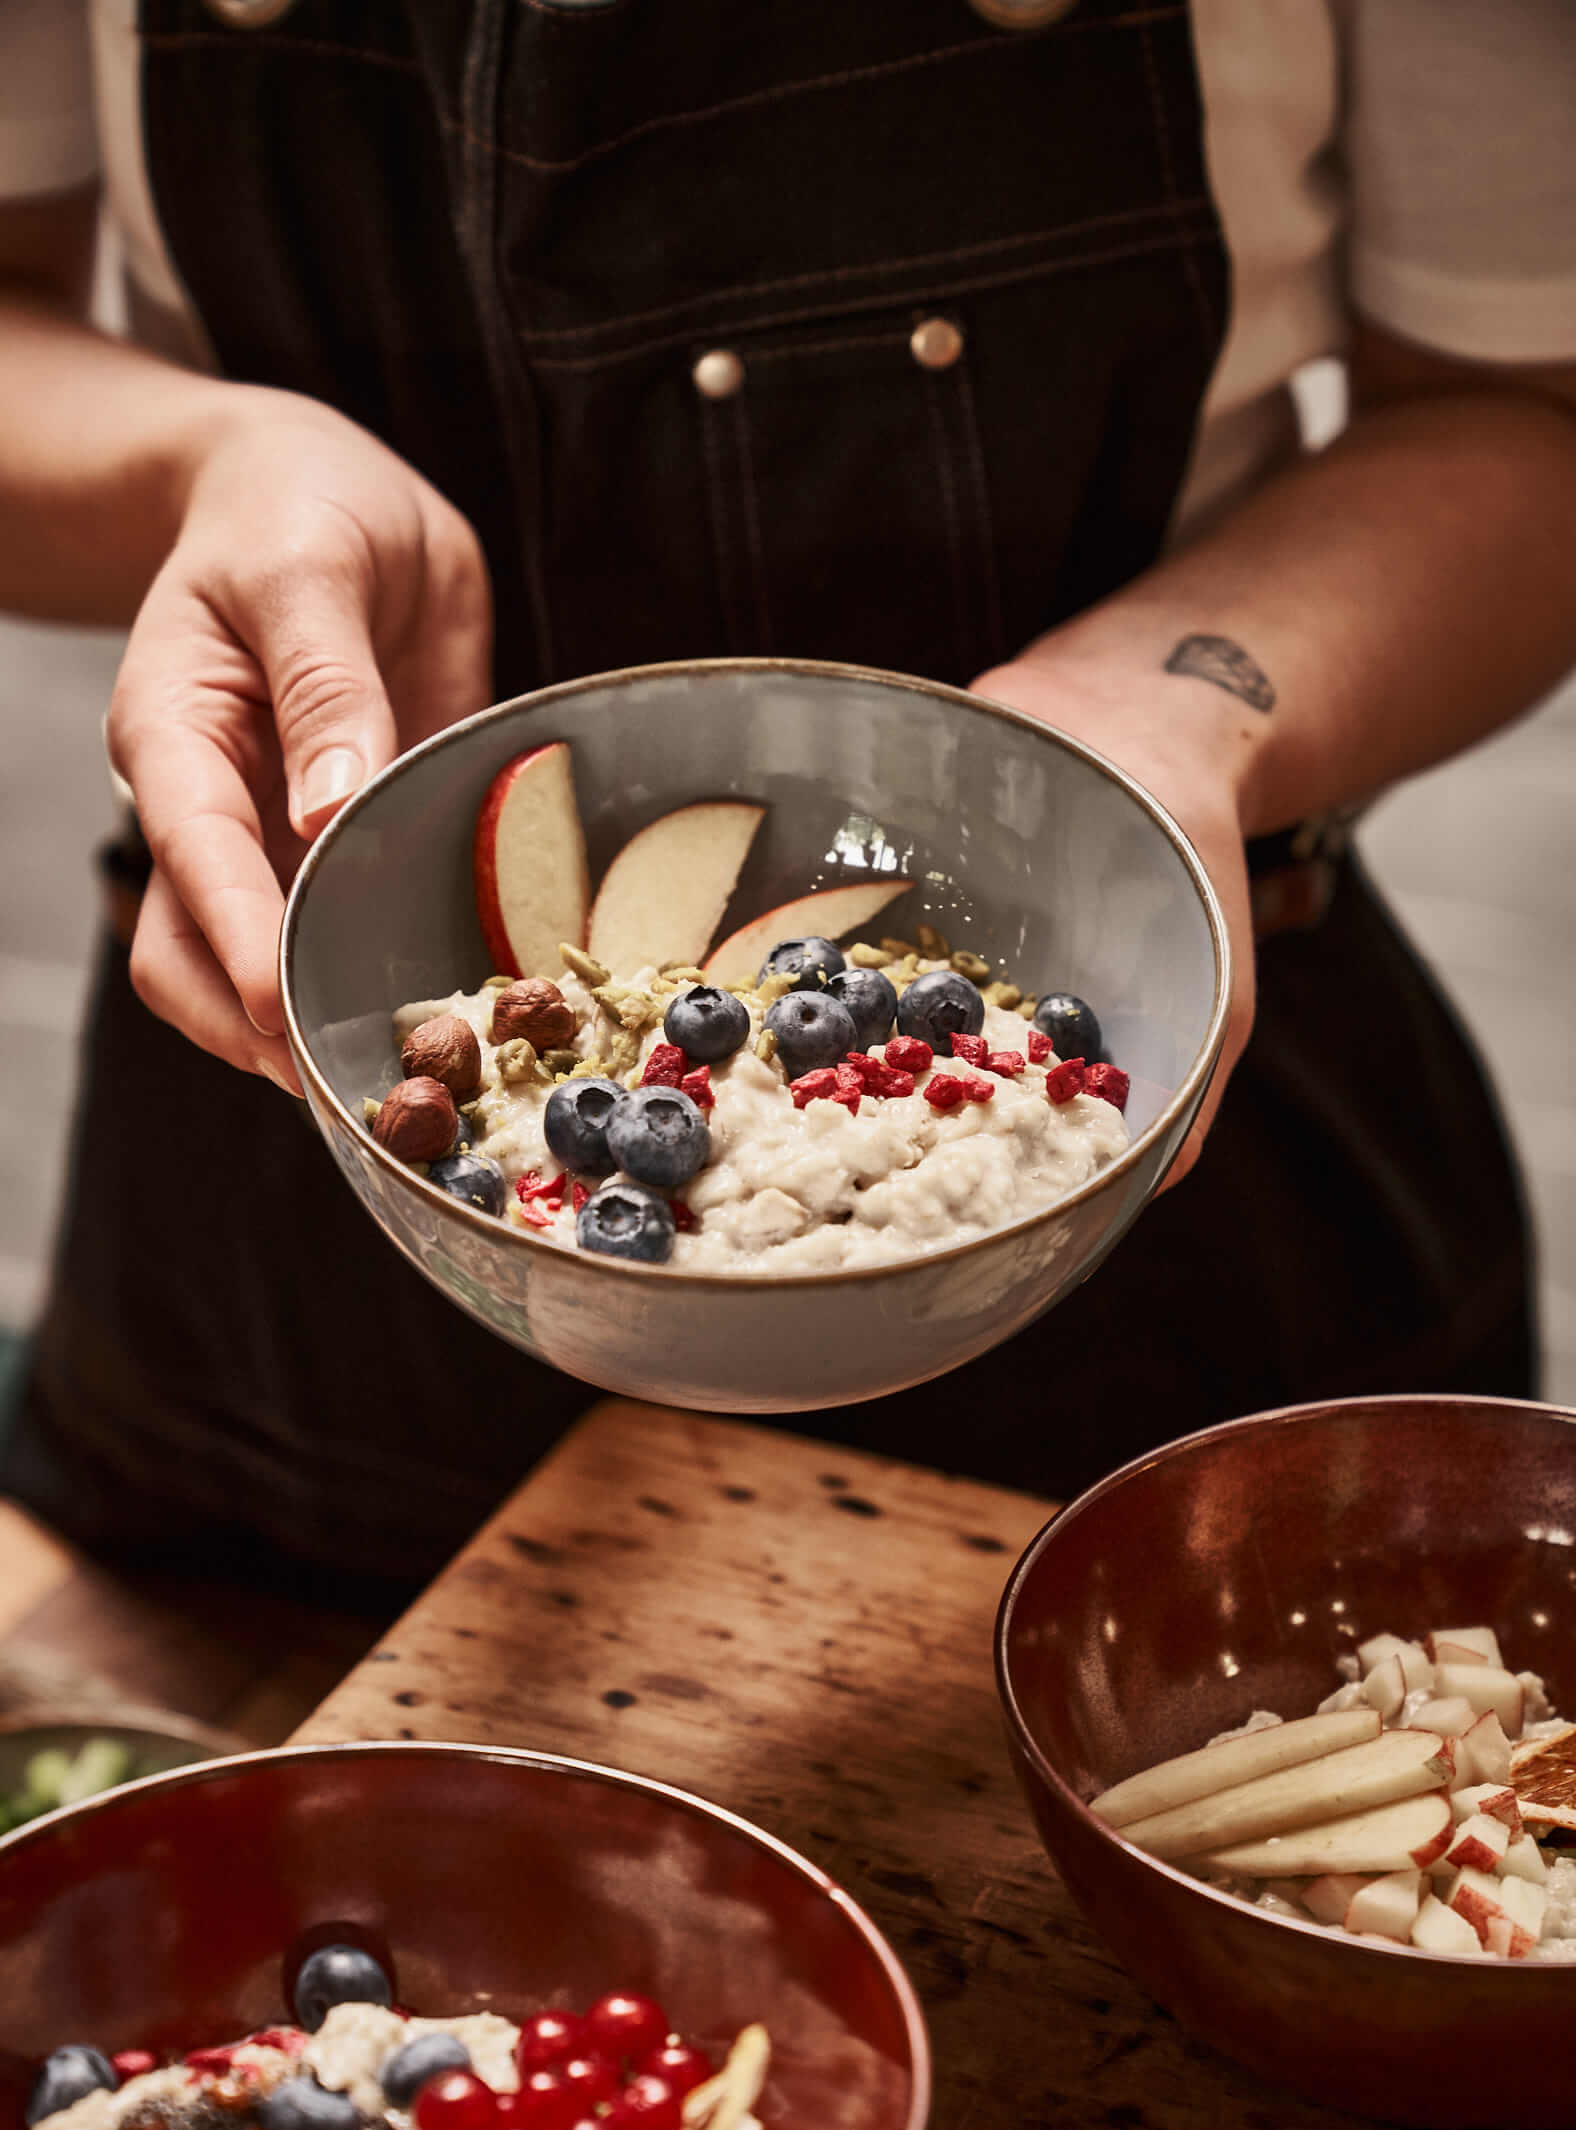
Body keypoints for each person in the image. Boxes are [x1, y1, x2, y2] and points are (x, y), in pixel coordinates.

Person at [0, 0, 1572, 1588]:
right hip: (303, 1247)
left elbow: (1522, 407)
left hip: (1163, 1230)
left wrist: (1177, 707)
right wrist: (203, 462)